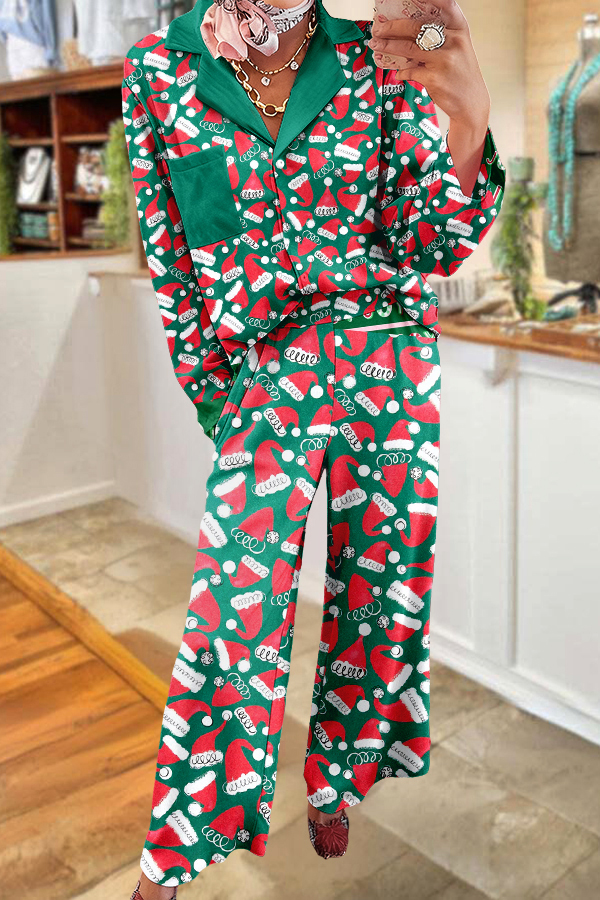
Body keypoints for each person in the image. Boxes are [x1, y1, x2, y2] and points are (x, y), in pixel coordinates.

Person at [122, 0, 505, 896]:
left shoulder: (374, 57)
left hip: (387, 357)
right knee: (231, 616)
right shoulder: (158, 70)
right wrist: (221, 399)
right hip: (264, 373)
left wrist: (471, 117)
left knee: (382, 592)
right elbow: (172, 257)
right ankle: (180, 845)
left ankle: (340, 776)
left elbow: (433, 243)